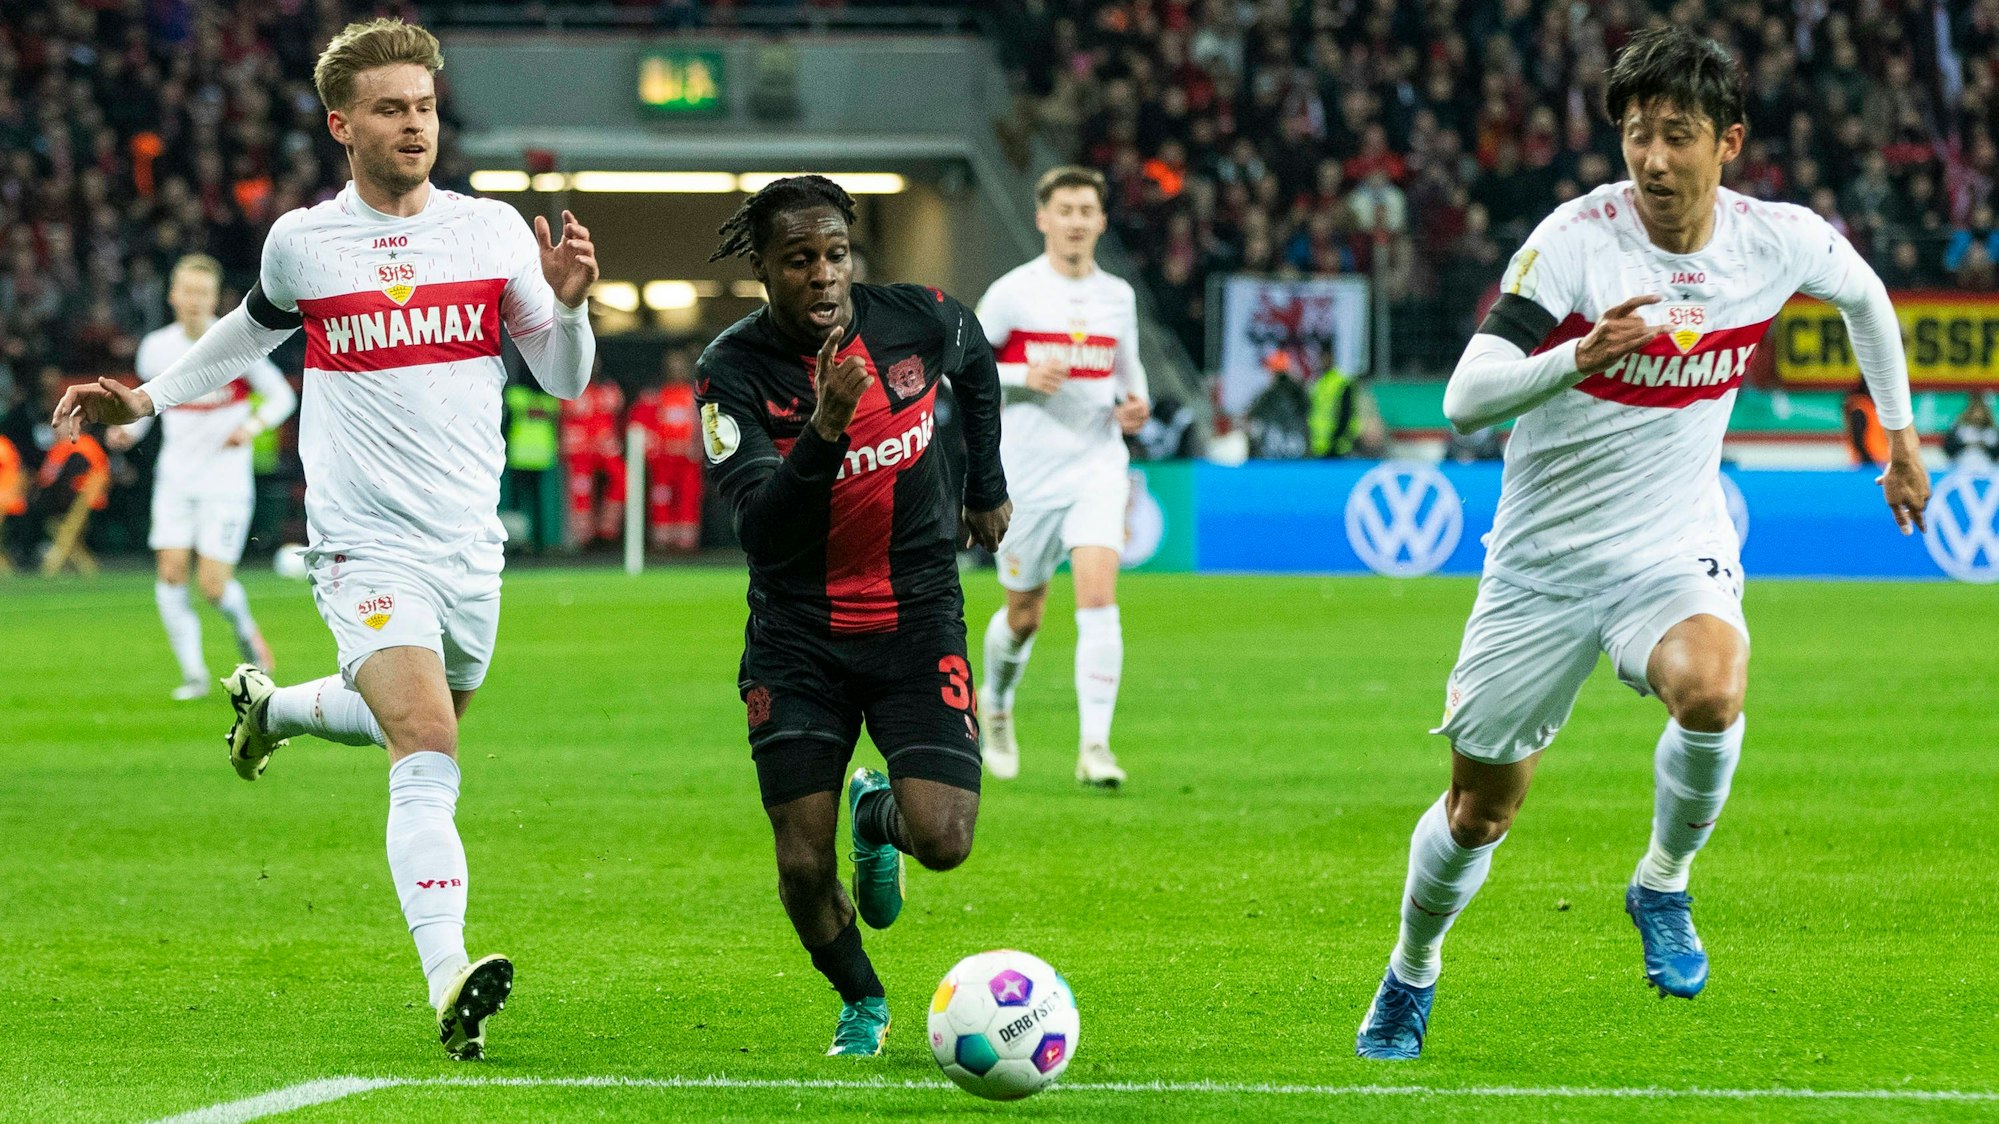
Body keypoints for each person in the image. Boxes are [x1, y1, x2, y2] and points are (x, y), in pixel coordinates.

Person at [1355, 27, 1930, 1061]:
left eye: (1677, 135)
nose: (1653, 158)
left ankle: (1661, 880)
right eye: (1635, 135)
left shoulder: (1775, 239)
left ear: (1729, 143)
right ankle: (1412, 968)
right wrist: (1581, 351)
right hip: (1539, 565)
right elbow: (1463, 396)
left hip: (1670, 546)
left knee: (1712, 687)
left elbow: (1866, 298)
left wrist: (1898, 437)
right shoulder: (1574, 240)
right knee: (1480, 809)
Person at [52, 17, 599, 1061]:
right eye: (391, 108)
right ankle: (450, 973)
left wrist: (569, 309)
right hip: (361, 542)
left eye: (426, 107)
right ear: (342, 123)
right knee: (427, 744)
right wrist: (146, 401)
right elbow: (247, 333)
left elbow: (565, 378)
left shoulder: (487, 234)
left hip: (467, 544)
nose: (414, 125)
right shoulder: (303, 242)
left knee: (412, 717)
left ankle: (275, 705)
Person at [697, 175, 1009, 1057]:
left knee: (944, 843)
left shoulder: (915, 318)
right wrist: (825, 432)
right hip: (798, 640)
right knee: (801, 866)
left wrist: (985, 484)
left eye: (836, 253)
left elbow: (976, 356)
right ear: (762, 267)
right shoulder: (731, 373)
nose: (824, 275)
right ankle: (863, 1000)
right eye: (799, 260)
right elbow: (762, 529)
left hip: (916, 620)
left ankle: (879, 817)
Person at [973, 166, 1148, 787]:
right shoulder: (1013, 293)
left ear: (1101, 221)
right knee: (1024, 616)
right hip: (1027, 476)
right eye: (1065, 210)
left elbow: (1128, 374)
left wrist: (1136, 405)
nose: (1076, 221)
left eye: (1086, 211)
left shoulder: (1117, 297)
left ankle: (1095, 748)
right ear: (1043, 218)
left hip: (1097, 465)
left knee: (1099, 600)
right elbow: (955, 372)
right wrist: (1021, 375)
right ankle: (993, 702)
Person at [107, 254, 296, 700]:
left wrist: (248, 428)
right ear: (173, 295)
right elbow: (148, 408)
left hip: (225, 483)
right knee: (171, 573)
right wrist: (126, 434)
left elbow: (282, 396)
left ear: (216, 299)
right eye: (186, 291)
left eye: (202, 293)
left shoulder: (235, 342)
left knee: (212, 585)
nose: (193, 301)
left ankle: (246, 632)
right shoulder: (155, 348)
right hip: (175, 478)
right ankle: (193, 673)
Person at [630, 346, 703, 553]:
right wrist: (653, 449)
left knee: (689, 498)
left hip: (688, 461)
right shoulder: (656, 395)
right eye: (673, 366)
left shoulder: (696, 395)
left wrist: (698, 447)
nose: (677, 370)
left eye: (680, 366)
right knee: (661, 498)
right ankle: (662, 542)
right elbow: (639, 425)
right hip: (663, 460)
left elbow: (705, 425)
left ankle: (686, 543)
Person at [561, 369, 626, 548]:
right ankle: (583, 537)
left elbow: (618, 418)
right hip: (579, 449)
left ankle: (607, 530)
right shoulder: (568, 388)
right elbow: (561, 418)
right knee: (581, 491)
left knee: (622, 479)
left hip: (605, 447)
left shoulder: (609, 390)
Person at [1944, 391, 1998, 471]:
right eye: (1976, 411)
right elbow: (1949, 448)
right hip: (1961, 469)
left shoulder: (1992, 431)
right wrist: (1965, 445)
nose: (1978, 415)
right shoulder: (1960, 429)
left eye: (1981, 412)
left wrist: (1985, 447)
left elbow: (1996, 453)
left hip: (1987, 470)